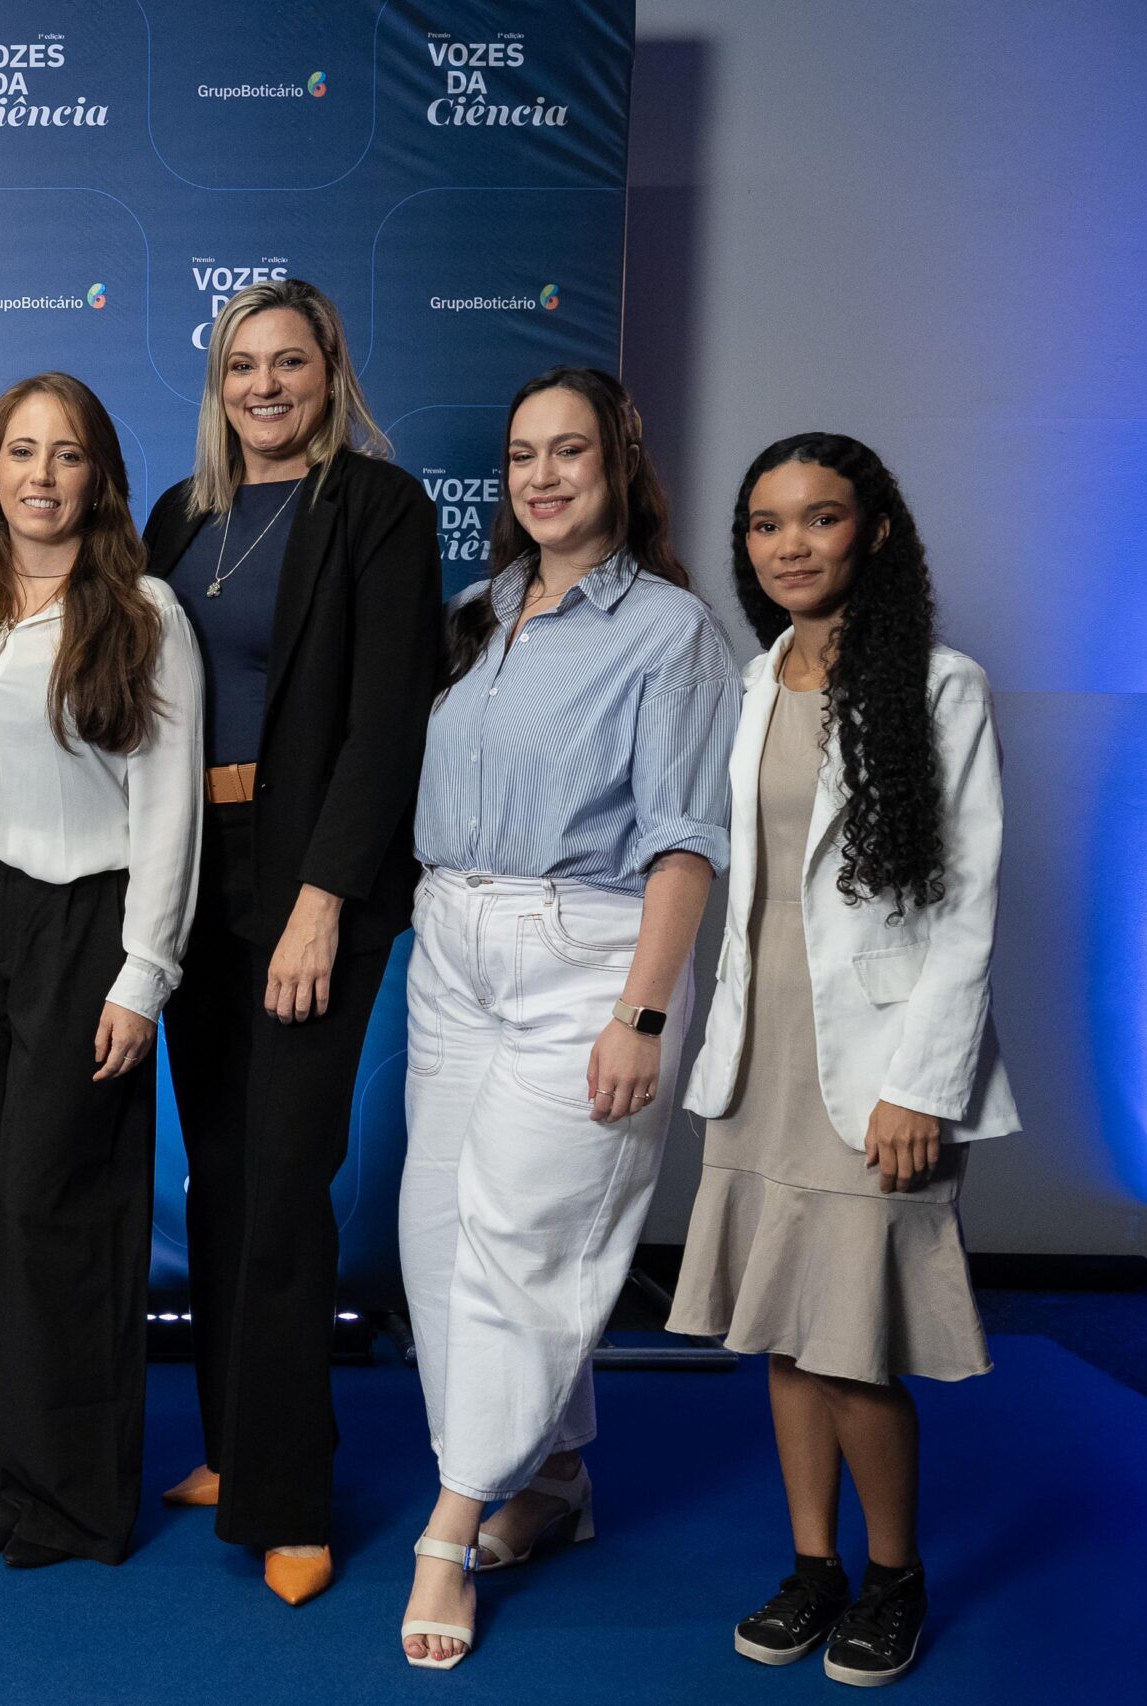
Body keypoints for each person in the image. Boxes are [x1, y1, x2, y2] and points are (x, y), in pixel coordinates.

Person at [0, 281, 440, 1604]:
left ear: (332, 370)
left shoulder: (378, 511)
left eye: (290, 363)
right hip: (188, 874)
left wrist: (323, 898)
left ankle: (291, 1495)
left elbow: (389, 721)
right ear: (216, 387)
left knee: (281, 1185)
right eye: (240, 367)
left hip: (298, 879)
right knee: (216, 1179)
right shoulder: (180, 519)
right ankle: (234, 1442)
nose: (265, 386)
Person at [394, 367, 738, 1669]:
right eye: (524, 453)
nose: (543, 476)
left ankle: (451, 1523)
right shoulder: (479, 614)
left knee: (524, 1247)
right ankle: (551, 1483)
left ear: (619, 465)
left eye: (571, 452)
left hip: (585, 951)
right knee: (441, 1237)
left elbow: (687, 840)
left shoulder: (669, 630)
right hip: (453, 948)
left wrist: (642, 1014)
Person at [667, 434, 1015, 1689]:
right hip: (762, 1054)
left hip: (876, 1069)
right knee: (781, 1328)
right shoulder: (754, 677)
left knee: (850, 1338)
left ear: (873, 530)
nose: (791, 545)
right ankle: (812, 1566)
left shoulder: (939, 683)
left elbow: (967, 907)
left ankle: (891, 1574)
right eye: (766, 525)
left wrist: (923, 1080)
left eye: (819, 519)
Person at [0, 373, 204, 1568]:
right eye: (20, 451)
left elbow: (167, 805)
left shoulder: (142, 610)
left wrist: (143, 973)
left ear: (100, 476)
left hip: (81, 921)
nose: (41, 474)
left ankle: (74, 1494)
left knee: (60, 1209)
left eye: (68, 452)